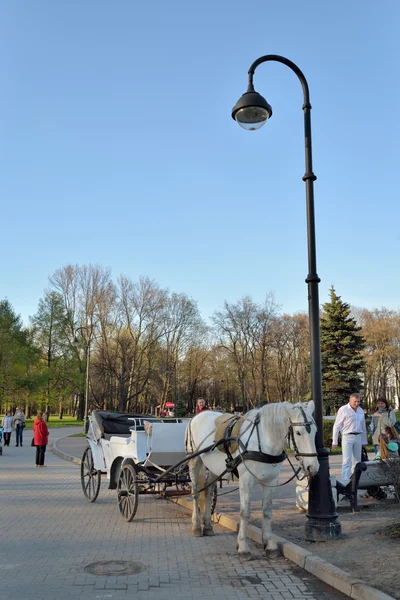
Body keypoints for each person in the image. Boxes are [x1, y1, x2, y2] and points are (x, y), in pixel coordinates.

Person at [332, 393, 368, 483]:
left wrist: (364, 440)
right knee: (346, 460)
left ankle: (355, 481)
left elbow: (363, 426)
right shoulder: (343, 409)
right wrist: (335, 441)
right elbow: (337, 426)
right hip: (347, 436)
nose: (356, 403)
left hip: (358, 436)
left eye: (358, 401)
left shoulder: (360, 411)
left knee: (357, 461)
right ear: (350, 400)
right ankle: (345, 480)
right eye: (355, 401)